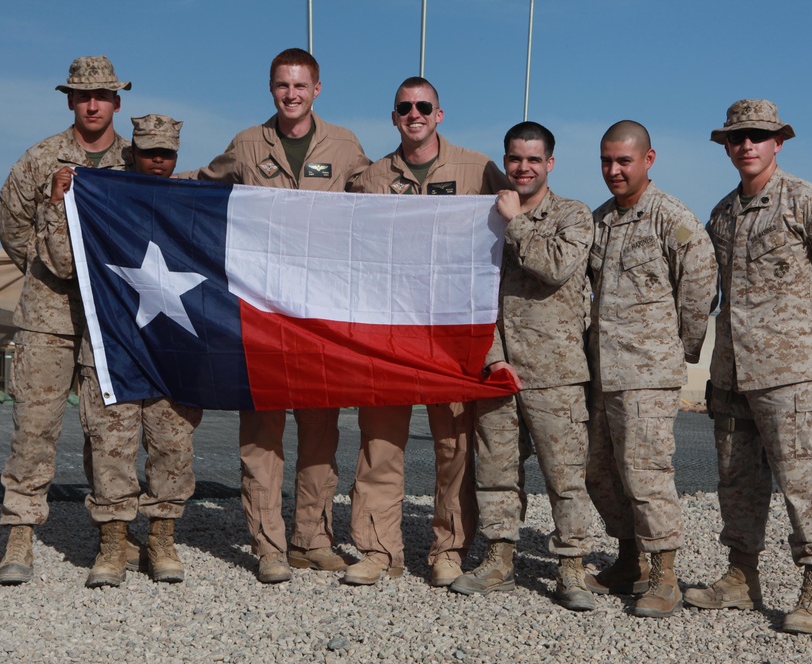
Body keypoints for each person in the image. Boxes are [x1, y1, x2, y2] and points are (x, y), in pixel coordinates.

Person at [180, 48, 370, 584]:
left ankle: (312, 539)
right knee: (261, 434)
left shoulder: (345, 145)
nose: (291, 94)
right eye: (282, 86)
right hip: (259, 312)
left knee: (320, 432)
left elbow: (379, 198)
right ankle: (267, 546)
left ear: (317, 89)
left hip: (319, 312)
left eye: (300, 86)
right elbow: (201, 182)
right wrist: (128, 186)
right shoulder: (246, 144)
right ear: (271, 89)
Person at [683, 100, 812, 634]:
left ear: (777, 142)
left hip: (789, 374)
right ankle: (741, 576)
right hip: (732, 373)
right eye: (737, 138)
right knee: (736, 480)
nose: (747, 145)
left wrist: (811, 334)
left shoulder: (807, 203)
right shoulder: (721, 215)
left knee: (801, 480)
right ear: (726, 146)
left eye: (758, 136)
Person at [345, 77, 508, 586]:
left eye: (423, 107)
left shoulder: (478, 169)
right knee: (380, 444)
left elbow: (519, 210)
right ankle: (378, 551)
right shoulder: (371, 179)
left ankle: (449, 550)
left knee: (454, 447)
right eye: (404, 107)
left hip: (452, 332)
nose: (413, 114)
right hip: (388, 332)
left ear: (439, 114)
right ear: (393, 117)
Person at [40, 115, 204, 587]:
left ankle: (161, 538)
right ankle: (113, 541)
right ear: (132, 152)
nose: (157, 161)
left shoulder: (191, 201)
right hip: (113, 347)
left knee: (173, 447)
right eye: (149, 152)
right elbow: (62, 264)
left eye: (166, 154)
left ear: (176, 157)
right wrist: (58, 203)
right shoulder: (100, 196)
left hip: (174, 350)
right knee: (110, 447)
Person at [0, 56, 136, 585]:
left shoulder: (135, 162)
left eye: (102, 95)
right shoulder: (41, 158)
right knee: (34, 428)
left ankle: (113, 540)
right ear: (70, 100)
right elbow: (9, 222)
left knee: (113, 431)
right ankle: (21, 536)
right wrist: (45, 267)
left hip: (112, 320)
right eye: (82, 95)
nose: (93, 104)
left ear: (117, 101)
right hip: (47, 317)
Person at [448, 122, 596, 610]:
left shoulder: (573, 216)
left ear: (550, 163)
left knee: (565, 475)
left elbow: (555, 267)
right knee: (495, 469)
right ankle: (499, 559)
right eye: (515, 159)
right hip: (497, 367)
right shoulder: (486, 218)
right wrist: (489, 357)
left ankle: (572, 568)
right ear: (506, 161)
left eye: (534, 159)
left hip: (555, 372)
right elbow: (473, 291)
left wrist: (516, 222)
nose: (524, 167)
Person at [582, 121, 716, 617]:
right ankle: (629, 558)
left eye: (624, 161)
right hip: (603, 373)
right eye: (606, 161)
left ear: (648, 160)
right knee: (599, 470)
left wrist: (677, 347)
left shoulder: (670, 218)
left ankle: (664, 574)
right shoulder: (599, 221)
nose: (614, 171)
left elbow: (700, 280)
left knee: (646, 473)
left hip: (647, 373)